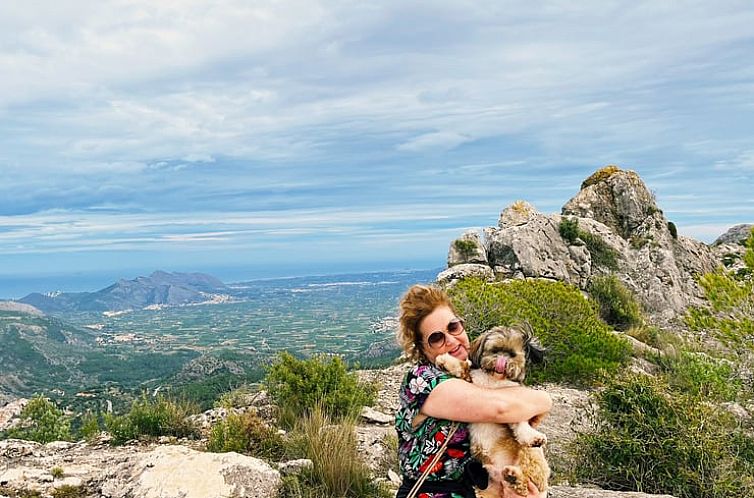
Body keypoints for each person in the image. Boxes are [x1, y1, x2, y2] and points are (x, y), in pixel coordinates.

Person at [394, 284, 552, 498]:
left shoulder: (477, 373)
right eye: (436, 338)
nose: (450, 339)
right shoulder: (422, 381)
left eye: (453, 327)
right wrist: (541, 401)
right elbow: (501, 409)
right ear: (422, 347)